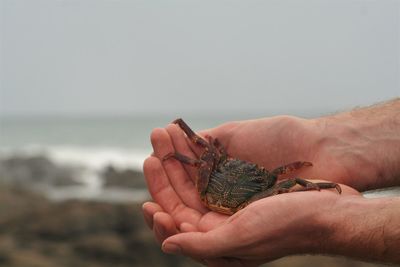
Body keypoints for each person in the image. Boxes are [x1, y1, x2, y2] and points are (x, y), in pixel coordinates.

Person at [142, 98, 400, 266]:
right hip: (243, 204)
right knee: (285, 182)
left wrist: (185, 150)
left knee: (208, 154)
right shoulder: (265, 179)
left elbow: (205, 158)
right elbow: (287, 182)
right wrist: (315, 152)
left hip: (207, 196)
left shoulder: (214, 169)